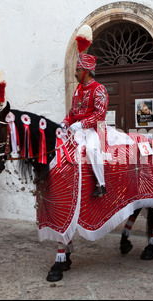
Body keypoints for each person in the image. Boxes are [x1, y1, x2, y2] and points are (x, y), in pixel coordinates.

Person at [61, 25, 109, 197]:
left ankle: (101, 185)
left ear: (87, 72)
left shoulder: (99, 89)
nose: (75, 73)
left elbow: (100, 114)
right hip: (78, 128)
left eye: (78, 70)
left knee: (91, 149)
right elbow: (72, 112)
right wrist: (65, 123)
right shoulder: (77, 90)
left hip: (95, 129)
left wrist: (81, 124)